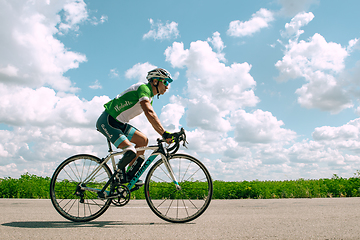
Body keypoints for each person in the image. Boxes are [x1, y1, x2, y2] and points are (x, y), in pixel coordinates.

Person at [96, 68, 174, 186]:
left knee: (143, 140)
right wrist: (164, 133)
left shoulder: (150, 97)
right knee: (130, 151)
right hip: (107, 121)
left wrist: (164, 134)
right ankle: (118, 177)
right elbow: (149, 113)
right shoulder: (144, 88)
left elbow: (151, 117)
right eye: (166, 82)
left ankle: (129, 176)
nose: (167, 86)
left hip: (120, 124)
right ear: (155, 81)